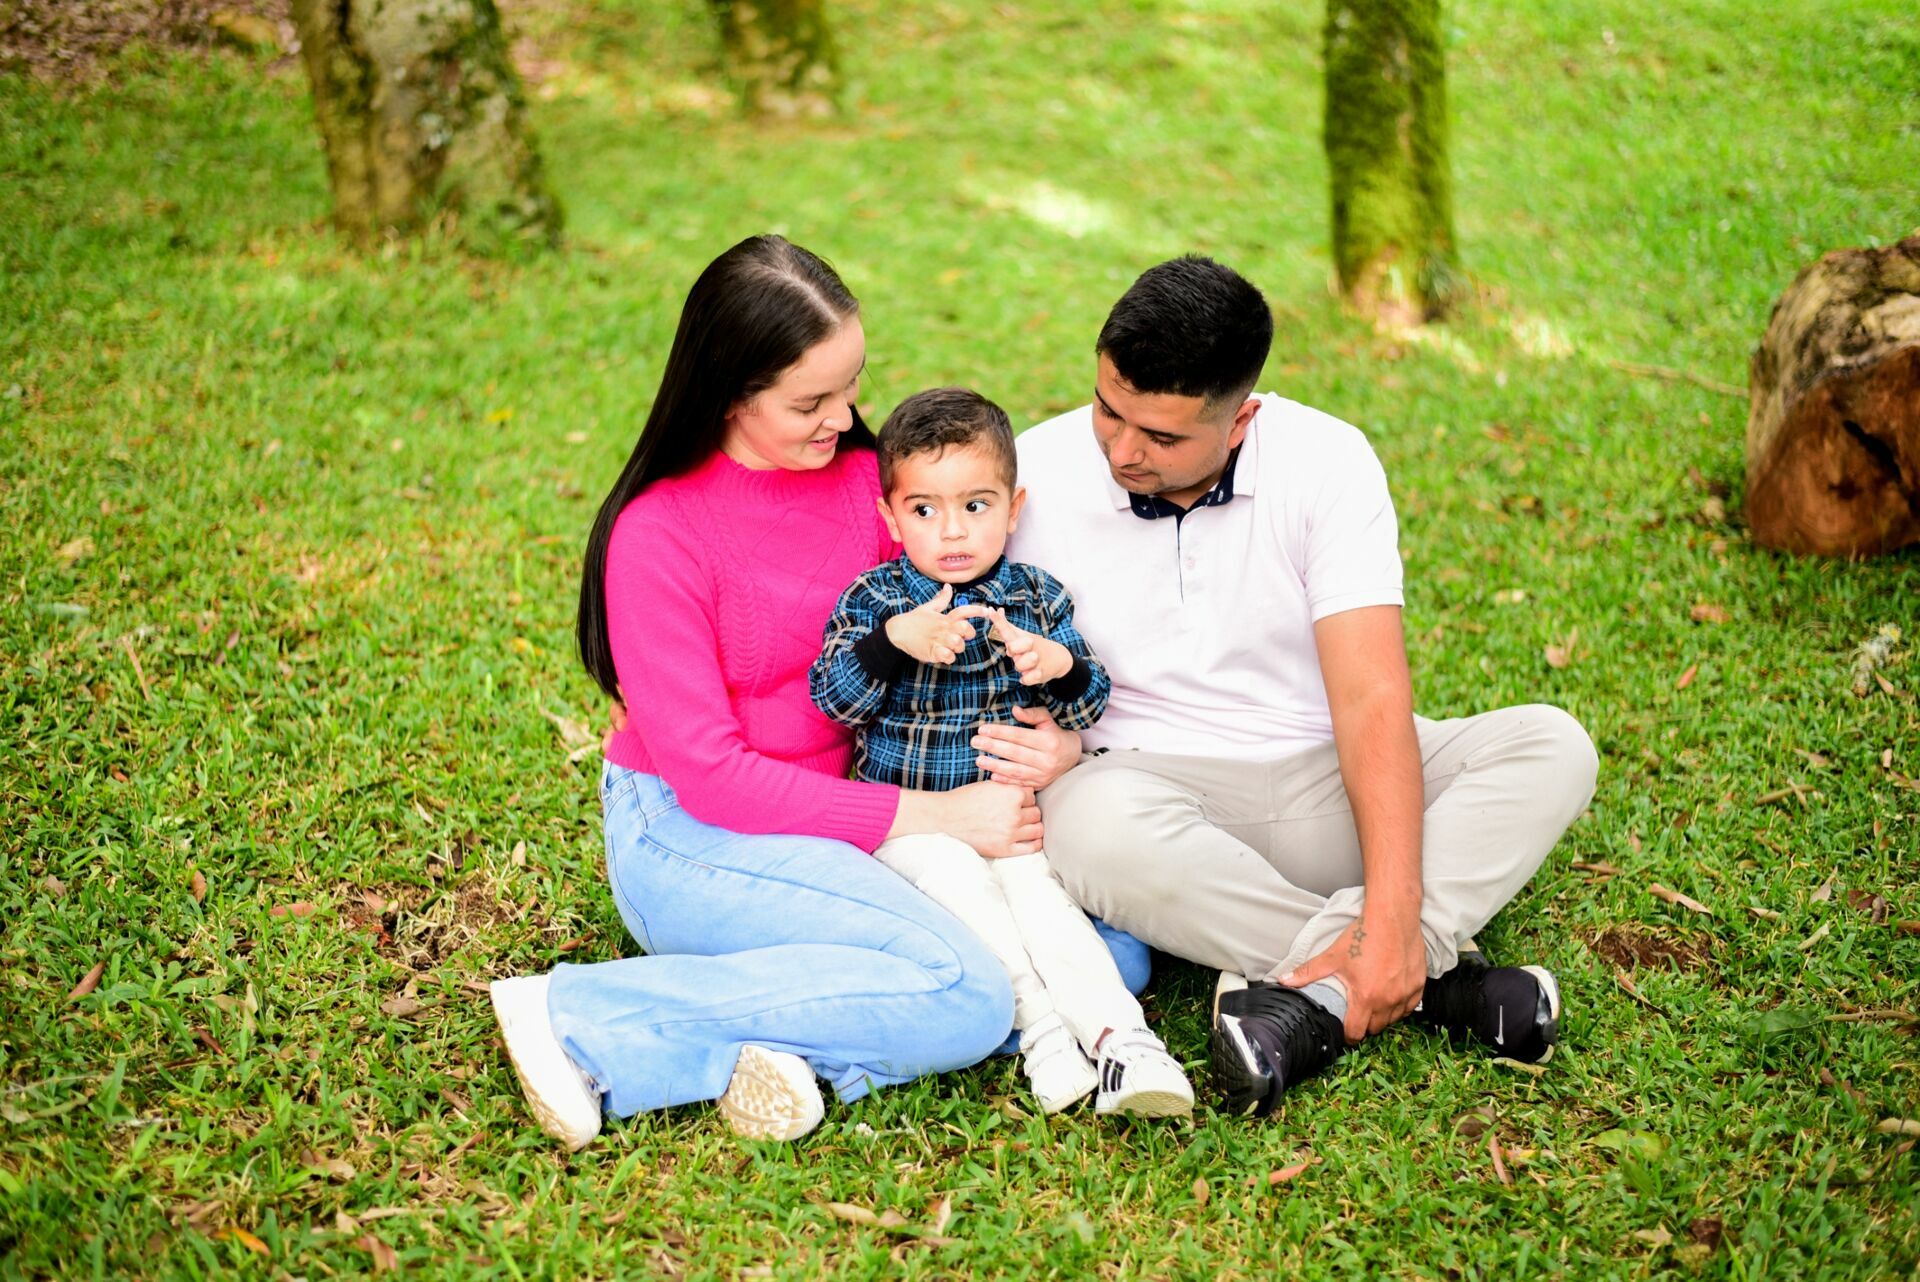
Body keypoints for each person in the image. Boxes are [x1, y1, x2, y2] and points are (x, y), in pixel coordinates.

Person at [488, 236, 1068, 1150]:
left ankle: (779, 1043)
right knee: (969, 991)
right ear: (729, 393)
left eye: (851, 386)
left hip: (848, 814)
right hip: (696, 836)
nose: (844, 419)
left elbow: (960, 637)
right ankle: (582, 1017)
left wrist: (1052, 736)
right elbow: (714, 779)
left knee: (1103, 955)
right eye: (810, 402)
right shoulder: (659, 535)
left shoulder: (872, 493)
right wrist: (939, 817)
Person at [994, 255, 1601, 1117]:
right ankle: (1439, 989)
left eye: (1161, 438)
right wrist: (1059, 741)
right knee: (1081, 822)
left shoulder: (1326, 461)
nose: (1123, 450)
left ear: (1239, 419)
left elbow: (1371, 699)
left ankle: (1337, 978)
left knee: (1552, 745)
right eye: (1108, 410)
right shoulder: (1032, 472)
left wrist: (1393, 909)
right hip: (1153, 796)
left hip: (1328, 789)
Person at [807, 388, 1193, 1118]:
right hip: (914, 831)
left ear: (1014, 510)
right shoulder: (876, 600)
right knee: (965, 891)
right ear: (891, 518)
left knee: (1044, 906)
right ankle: (1043, 1032)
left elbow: (1090, 702)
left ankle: (1124, 1043)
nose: (952, 530)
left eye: (976, 506)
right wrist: (893, 646)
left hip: (1015, 823)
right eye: (924, 510)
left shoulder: (1037, 598)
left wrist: (1058, 666)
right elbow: (834, 700)